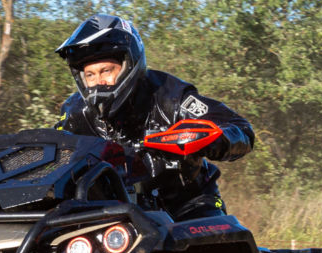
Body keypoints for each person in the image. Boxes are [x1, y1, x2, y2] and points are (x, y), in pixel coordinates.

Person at [54, 15, 254, 220]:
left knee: (215, 233)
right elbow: (54, 150)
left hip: (188, 206)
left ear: (128, 65)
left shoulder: (171, 96)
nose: (98, 82)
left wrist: (212, 139)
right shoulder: (75, 112)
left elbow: (241, 129)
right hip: (115, 211)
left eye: (106, 71)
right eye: (90, 75)